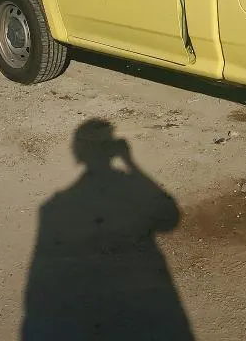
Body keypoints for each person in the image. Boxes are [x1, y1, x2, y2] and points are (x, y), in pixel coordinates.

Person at [21, 119, 193, 340]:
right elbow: (170, 219)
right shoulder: (55, 208)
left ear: (77, 154)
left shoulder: (52, 208)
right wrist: (131, 163)